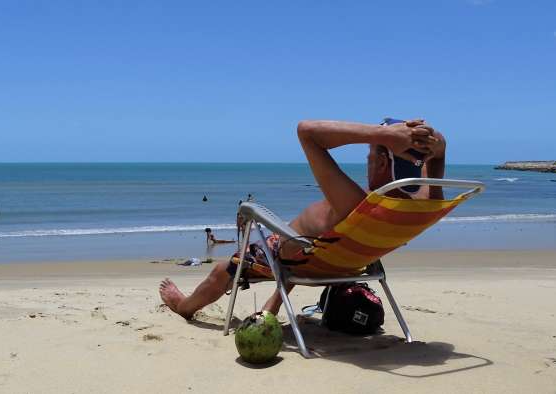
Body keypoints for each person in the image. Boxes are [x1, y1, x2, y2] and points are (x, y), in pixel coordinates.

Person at [160, 119, 446, 319]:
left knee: (225, 269)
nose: (367, 160)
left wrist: (380, 135)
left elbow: (307, 131)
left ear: (383, 162)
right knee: (309, 243)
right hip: (348, 263)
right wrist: (431, 142)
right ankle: (273, 304)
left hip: (297, 256)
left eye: (370, 154)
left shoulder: (354, 204)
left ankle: (183, 306)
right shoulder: (423, 201)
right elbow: (440, 149)